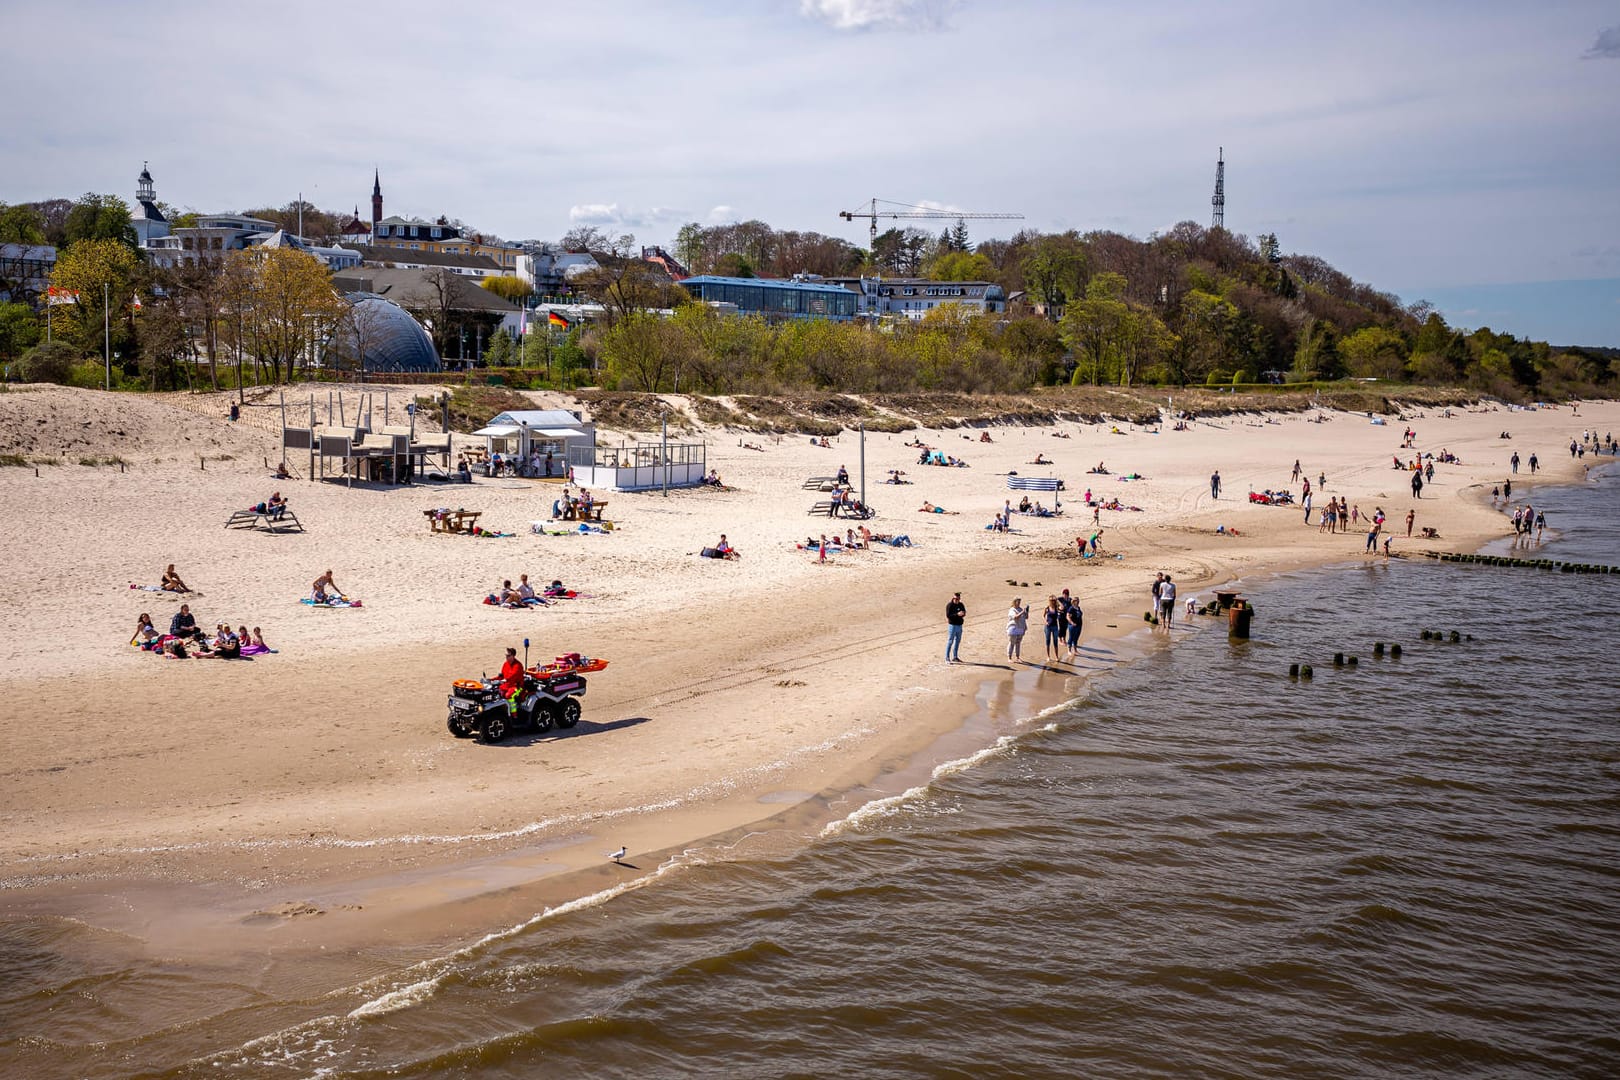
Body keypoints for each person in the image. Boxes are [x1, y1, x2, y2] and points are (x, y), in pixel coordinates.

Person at [499, 647, 525, 714]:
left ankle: (514, 713)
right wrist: (491, 680)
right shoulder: (505, 664)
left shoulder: (518, 666)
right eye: (506, 655)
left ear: (513, 656)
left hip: (518, 687)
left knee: (509, 695)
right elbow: (501, 676)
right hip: (507, 685)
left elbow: (513, 676)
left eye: (508, 656)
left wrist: (506, 679)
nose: (506, 657)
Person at [1006, 597, 1029, 662]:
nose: (1019, 603)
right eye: (1017, 601)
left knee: (1018, 643)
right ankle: (1009, 658)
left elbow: (1026, 617)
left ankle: (1017, 657)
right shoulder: (1012, 610)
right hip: (1013, 629)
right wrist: (1022, 612)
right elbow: (1015, 617)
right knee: (1012, 643)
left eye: (1019, 601)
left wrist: (1026, 612)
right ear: (1014, 602)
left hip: (1020, 628)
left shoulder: (1020, 609)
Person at [945, 591, 966, 663]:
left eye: (958, 599)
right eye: (955, 599)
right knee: (950, 641)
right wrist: (957, 614)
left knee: (957, 641)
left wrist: (962, 614)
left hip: (959, 626)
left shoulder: (961, 604)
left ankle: (955, 657)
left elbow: (964, 612)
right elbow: (948, 616)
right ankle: (947, 658)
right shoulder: (949, 605)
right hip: (952, 626)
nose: (956, 600)